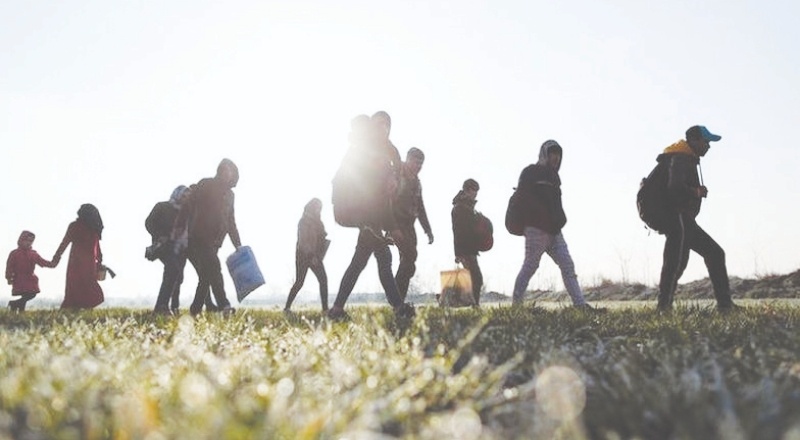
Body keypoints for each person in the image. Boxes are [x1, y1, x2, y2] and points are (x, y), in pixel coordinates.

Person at [327, 113, 415, 320]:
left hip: (370, 216)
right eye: (379, 124)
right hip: (363, 213)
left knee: (359, 262)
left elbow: (385, 194)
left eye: (387, 125)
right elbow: (366, 190)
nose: (383, 128)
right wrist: (391, 226)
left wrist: (394, 175)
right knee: (384, 258)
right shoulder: (366, 152)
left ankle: (337, 309)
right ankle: (399, 308)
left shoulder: (386, 152)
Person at [656, 125, 738, 312]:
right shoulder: (682, 158)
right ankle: (725, 306)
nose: (708, 146)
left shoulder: (682, 157)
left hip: (681, 220)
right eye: (706, 141)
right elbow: (674, 187)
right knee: (714, 254)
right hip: (680, 219)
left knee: (676, 264)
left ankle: (663, 307)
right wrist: (696, 191)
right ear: (694, 140)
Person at [510, 140, 600, 310]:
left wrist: (560, 220)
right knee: (530, 266)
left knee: (567, 265)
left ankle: (580, 305)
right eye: (553, 154)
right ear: (544, 154)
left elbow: (556, 204)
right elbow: (522, 199)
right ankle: (516, 306)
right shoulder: (530, 172)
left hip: (555, 231)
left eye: (559, 155)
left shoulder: (554, 177)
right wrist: (534, 219)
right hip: (536, 229)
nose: (556, 158)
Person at [176, 158, 242, 316]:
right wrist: (180, 229)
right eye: (225, 170)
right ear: (219, 170)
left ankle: (195, 310)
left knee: (206, 276)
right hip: (199, 236)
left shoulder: (230, 195)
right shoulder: (206, 184)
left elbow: (231, 221)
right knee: (215, 268)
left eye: (230, 171)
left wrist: (238, 244)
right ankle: (224, 305)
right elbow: (187, 206)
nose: (227, 173)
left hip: (216, 241)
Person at [393, 147, 434, 301]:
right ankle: (396, 299)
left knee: (408, 263)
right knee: (410, 256)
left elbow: (420, 207)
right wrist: (390, 226)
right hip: (396, 223)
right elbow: (387, 200)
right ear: (408, 159)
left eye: (421, 164)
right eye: (416, 163)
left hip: (410, 225)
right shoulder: (396, 175)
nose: (419, 167)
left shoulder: (417, 182)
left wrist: (428, 230)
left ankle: (398, 301)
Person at [146, 185, 194, 315]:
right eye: (183, 196)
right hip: (165, 246)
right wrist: (159, 235)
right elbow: (149, 223)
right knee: (172, 271)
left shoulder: (188, 211)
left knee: (178, 276)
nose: (185, 199)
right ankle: (161, 306)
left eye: (188, 197)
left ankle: (174, 307)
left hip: (182, 248)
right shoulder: (162, 207)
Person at [52, 204, 105, 309]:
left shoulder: (78, 226)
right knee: (86, 286)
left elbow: (64, 243)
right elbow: (97, 247)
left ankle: (79, 308)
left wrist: (56, 257)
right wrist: (99, 260)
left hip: (78, 262)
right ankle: (84, 308)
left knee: (77, 286)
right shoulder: (92, 228)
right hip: (86, 263)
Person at [285, 198, 329, 312]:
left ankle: (325, 309)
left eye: (320, 207)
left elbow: (320, 237)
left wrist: (323, 236)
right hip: (303, 256)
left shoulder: (318, 222)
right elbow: (303, 241)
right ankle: (287, 308)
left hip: (315, 256)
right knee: (299, 282)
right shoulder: (303, 221)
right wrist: (311, 256)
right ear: (311, 207)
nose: (319, 210)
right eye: (317, 207)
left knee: (323, 280)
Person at [5, 231, 57, 312]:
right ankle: (19, 310)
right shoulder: (14, 253)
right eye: (26, 240)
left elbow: (42, 262)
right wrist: (9, 277)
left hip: (30, 278)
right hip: (19, 278)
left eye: (31, 241)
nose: (28, 243)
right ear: (21, 240)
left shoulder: (33, 254)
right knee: (26, 295)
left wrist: (52, 264)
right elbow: (9, 267)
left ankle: (14, 304)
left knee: (31, 294)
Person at [451, 178, 484, 306]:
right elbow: (458, 232)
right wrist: (458, 253)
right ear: (466, 190)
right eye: (473, 191)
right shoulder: (460, 208)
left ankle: (472, 304)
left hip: (470, 249)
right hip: (465, 250)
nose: (475, 194)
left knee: (473, 278)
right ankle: (474, 306)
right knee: (476, 278)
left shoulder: (466, 207)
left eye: (476, 191)